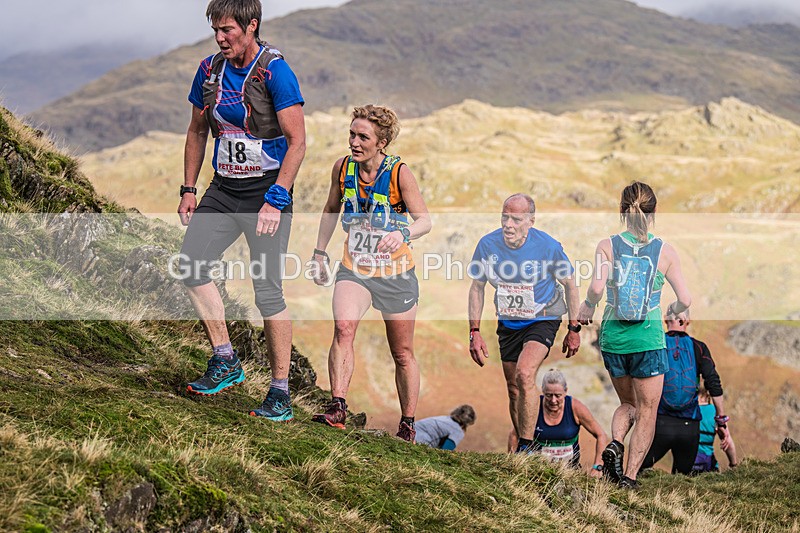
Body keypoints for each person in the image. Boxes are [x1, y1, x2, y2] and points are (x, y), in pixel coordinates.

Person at [177, 0, 306, 422]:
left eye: (228, 29)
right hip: (223, 188)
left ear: (251, 26)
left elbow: (298, 142)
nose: (220, 37)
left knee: (268, 292)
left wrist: (276, 199)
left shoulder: (275, 72)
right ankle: (226, 358)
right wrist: (189, 188)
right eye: (216, 29)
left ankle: (280, 393)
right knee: (191, 266)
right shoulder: (209, 70)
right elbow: (197, 130)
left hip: (265, 193)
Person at [310, 104, 432, 442]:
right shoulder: (343, 168)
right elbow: (331, 209)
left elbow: (425, 220)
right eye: (352, 134)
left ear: (382, 142)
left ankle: (407, 424)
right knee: (344, 328)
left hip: (396, 274)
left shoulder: (399, 173)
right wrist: (319, 252)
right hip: (355, 268)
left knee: (402, 352)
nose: (354, 141)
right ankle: (337, 406)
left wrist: (403, 233)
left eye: (363, 136)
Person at [578, 181, 691, 489]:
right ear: (653, 213)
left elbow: (597, 288)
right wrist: (674, 305)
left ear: (622, 211)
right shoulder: (665, 251)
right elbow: (686, 299)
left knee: (627, 403)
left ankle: (615, 442)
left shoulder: (607, 245)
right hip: (649, 340)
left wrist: (588, 306)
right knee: (647, 411)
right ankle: (628, 477)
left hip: (614, 339)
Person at [468, 194, 582, 454]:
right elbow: (477, 288)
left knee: (524, 373)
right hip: (509, 321)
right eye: (504, 217)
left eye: (516, 219)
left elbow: (571, 286)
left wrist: (573, 329)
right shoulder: (487, 245)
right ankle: (523, 442)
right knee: (513, 389)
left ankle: (528, 449)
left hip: (544, 317)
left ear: (530, 221)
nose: (508, 224)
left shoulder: (548, 246)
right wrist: (474, 331)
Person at [639, 310, 733, 474]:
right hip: (689, 426)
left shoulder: (656, 344)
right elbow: (713, 382)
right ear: (687, 320)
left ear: (665, 319)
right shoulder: (699, 347)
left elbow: (641, 377)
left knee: (637, 469)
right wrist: (721, 420)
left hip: (660, 422)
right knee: (681, 480)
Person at [530, 369, 608, 477]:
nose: (553, 400)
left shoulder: (575, 407)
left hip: (570, 473)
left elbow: (601, 435)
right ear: (542, 391)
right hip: (539, 473)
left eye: (558, 395)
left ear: (566, 391)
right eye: (548, 395)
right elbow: (514, 435)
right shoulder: (534, 407)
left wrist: (598, 466)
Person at [693, 384, 738, 473]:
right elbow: (728, 442)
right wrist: (733, 464)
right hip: (708, 464)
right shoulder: (714, 412)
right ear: (707, 394)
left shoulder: (687, 411)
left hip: (687, 464)